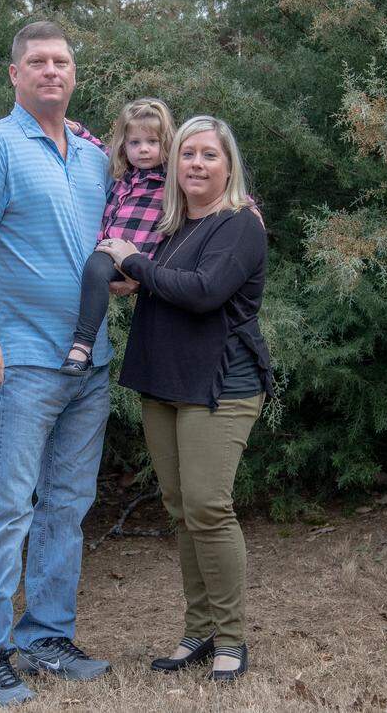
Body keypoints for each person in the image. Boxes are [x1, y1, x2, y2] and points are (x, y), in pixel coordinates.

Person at [0, 21, 114, 707]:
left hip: (90, 362)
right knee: (9, 507)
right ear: (13, 74)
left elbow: (106, 249)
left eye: (62, 61)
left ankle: (46, 633)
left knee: (67, 507)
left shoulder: (95, 154)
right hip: (22, 364)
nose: (51, 71)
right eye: (37, 61)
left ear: (74, 74)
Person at [95, 116, 273, 682]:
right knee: (180, 511)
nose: (196, 163)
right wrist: (131, 273)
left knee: (208, 508)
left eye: (209, 155)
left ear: (229, 167)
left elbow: (203, 293)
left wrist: (134, 262)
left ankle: (231, 638)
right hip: (163, 382)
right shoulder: (168, 227)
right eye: (188, 154)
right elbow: (149, 281)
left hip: (220, 386)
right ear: (173, 163)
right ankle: (198, 632)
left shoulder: (240, 225)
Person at [59, 98, 176, 375]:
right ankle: (83, 346)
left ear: (167, 143)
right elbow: (100, 148)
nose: (143, 149)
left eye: (152, 142)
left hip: (140, 258)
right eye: (135, 143)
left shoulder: (173, 177)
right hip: (108, 253)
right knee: (95, 266)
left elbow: (212, 185)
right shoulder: (122, 172)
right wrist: (78, 131)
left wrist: (244, 203)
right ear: (125, 145)